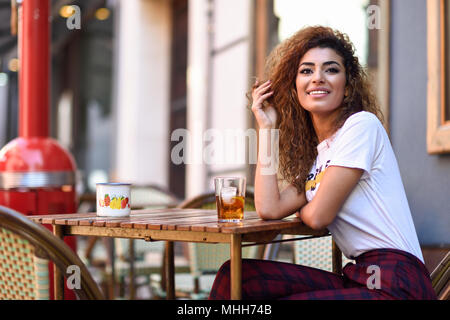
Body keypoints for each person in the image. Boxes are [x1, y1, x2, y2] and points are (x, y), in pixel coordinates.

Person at [208, 26, 436, 300]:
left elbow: (318, 217)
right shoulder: (319, 159)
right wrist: (267, 128)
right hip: (358, 276)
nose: (318, 78)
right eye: (306, 71)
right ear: (294, 87)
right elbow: (269, 208)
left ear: (348, 84)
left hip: (398, 283)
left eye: (330, 70)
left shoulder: (362, 126)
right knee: (237, 276)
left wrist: (307, 209)